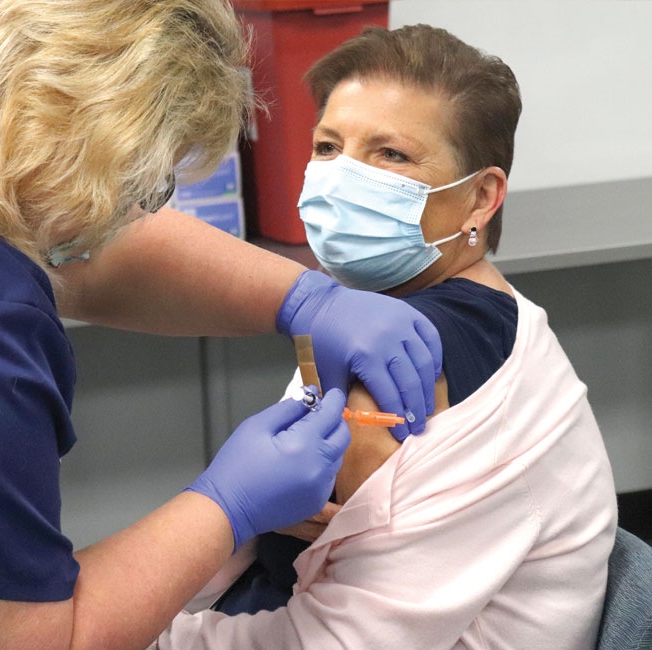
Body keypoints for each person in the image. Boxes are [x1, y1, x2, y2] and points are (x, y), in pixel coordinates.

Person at [0, 3, 446, 650]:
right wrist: (226, 505)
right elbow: (11, 642)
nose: (135, 211)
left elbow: (59, 222)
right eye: (141, 186)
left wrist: (304, 298)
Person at [152, 24, 618, 649]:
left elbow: (343, 642)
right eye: (327, 146)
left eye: (391, 154)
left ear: (482, 197)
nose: (343, 177)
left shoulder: (402, 361)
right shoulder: (396, 315)